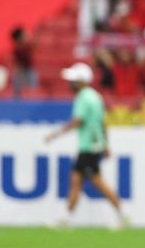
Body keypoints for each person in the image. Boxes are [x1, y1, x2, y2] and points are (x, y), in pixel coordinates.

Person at [45, 62, 128, 229]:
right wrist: (105, 144)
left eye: (73, 80)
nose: (70, 84)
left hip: (88, 146)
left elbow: (78, 121)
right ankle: (67, 217)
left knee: (95, 181)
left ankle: (121, 214)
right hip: (94, 145)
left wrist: (56, 134)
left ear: (81, 81)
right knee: (77, 179)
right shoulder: (95, 97)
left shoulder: (83, 98)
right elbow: (102, 123)